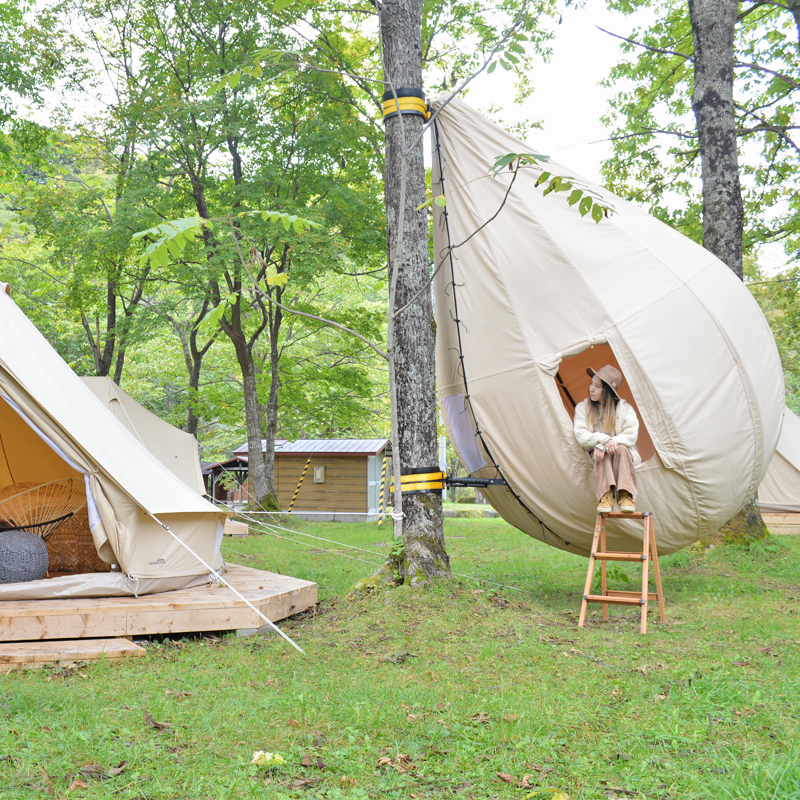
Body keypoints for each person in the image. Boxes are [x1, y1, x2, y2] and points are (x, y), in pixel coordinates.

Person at [573, 365, 640, 513]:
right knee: (601, 454)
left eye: (597, 386)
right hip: (598, 456)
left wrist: (605, 444)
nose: (591, 389)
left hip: (622, 455)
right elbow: (581, 435)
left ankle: (625, 495)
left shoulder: (625, 409)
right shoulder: (583, 408)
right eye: (591, 383)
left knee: (621, 447)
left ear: (607, 391)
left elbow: (631, 436)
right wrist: (603, 441)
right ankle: (606, 495)